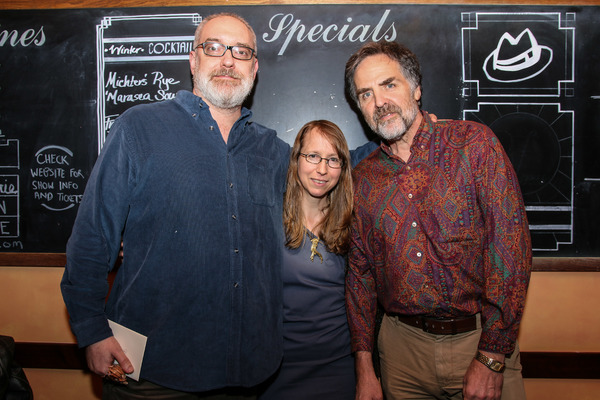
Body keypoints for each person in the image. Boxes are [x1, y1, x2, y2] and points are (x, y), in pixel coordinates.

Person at [61, 13, 290, 398]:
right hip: (152, 373)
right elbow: (91, 238)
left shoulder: (274, 152)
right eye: (214, 48)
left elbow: (339, 173)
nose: (228, 60)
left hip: (249, 373)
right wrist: (91, 329)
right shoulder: (139, 129)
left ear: (254, 67)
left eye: (241, 51)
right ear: (193, 59)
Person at [344, 41, 532, 400]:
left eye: (389, 84)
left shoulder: (474, 145)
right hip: (401, 354)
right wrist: (365, 368)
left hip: (479, 341)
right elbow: (360, 278)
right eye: (366, 94)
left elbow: (511, 249)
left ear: (415, 88)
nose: (379, 101)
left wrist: (492, 355)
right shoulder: (363, 180)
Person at [258, 120, 356, 400]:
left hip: (337, 367)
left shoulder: (354, 222)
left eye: (333, 160)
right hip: (275, 368)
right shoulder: (268, 218)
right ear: (296, 158)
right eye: (313, 156)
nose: (322, 169)